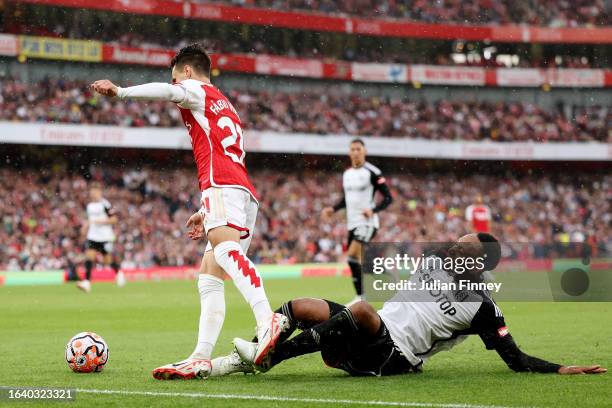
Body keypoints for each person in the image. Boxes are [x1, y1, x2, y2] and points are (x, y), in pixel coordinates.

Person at [91, 43, 287, 380]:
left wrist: (121, 92)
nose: (176, 84)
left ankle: (266, 317)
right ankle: (200, 356)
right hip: (238, 189)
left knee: (224, 252)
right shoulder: (224, 103)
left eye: (176, 77)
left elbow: (167, 91)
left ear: (185, 71)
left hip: (220, 184)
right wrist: (204, 209)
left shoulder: (193, 88)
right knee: (209, 276)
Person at [230, 233, 607, 377]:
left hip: (392, 356)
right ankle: (253, 352)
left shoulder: (484, 309)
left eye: (463, 249)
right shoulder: (434, 258)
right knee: (299, 305)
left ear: (479, 263)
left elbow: (516, 359)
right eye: (457, 242)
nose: (453, 247)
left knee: (360, 306)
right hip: (364, 334)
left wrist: (560, 369)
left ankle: (269, 358)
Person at [321, 139, 392, 303]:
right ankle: (364, 293)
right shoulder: (347, 174)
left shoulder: (373, 172)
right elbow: (348, 198)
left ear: (364, 151)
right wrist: (334, 208)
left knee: (353, 253)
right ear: (349, 152)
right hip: (352, 223)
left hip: (367, 222)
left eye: (358, 149)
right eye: (352, 149)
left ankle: (366, 293)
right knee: (353, 259)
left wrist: (373, 210)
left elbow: (389, 198)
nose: (355, 152)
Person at [77, 183, 125, 293]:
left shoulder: (105, 204)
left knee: (107, 260)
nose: (93, 194)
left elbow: (114, 219)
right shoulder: (89, 206)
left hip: (105, 236)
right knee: (89, 257)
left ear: (99, 192)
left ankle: (119, 273)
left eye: (95, 191)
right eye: (91, 191)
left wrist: (100, 221)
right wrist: (85, 227)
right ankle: (87, 282)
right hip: (93, 236)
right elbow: (90, 220)